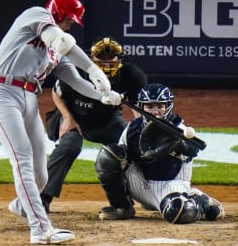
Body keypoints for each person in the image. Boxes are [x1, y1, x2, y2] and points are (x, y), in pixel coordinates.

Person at [0, 0, 122, 245]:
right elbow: (62, 41)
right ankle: (40, 230)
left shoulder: (55, 54)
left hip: (28, 99)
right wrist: (94, 69)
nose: (70, 25)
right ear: (58, 13)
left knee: (41, 176)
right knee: (22, 156)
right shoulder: (36, 15)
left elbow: (76, 82)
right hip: (1, 93)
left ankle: (23, 205)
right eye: (69, 20)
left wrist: (105, 96)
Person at [38, 37, 148, 212]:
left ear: (119, 58)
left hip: (108, 121)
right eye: (101, 58)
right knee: (69, 145)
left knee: (131, 146)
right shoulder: (77, 69)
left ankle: (127, 201)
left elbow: (139, 111)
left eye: (110, 57)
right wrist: (67, 118)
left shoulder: (131, 75)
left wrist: (140, 133)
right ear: (92, 58)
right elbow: (56, 93)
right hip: (75, 119)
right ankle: (42, 199)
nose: (105, 62)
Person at [95, 83, 225, 223]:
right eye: (150, 107)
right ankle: (122, 208)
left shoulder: (179, 130)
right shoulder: (133, 129)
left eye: (160, 106)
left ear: (168, 106)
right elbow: (120, 157)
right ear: (141, 107)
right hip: (140, 183)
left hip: (170, 186)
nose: (155, 111)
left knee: (179, 213)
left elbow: (192, 150)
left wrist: (174, 145)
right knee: (108, 155)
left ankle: (200, 201)